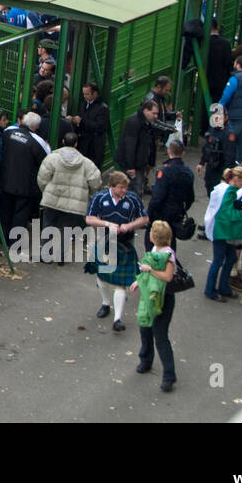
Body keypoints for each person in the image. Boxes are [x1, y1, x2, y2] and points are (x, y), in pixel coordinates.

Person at [85, 171, 148, 332]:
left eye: (125, 187)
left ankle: (117, 319)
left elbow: (144, 218)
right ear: (111, 187)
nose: (124, 190)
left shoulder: (133, 198)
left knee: (121, 281)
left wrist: (129, 226)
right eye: (121, 187)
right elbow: (89, 218)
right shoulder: (100, 197)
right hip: (104, 240)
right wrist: (107, 224)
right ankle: (106, 303)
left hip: (125, 243)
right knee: (102, 276)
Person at [37, 132, 101, 263]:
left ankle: (46, 255)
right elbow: (96, 182)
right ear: (76, 144)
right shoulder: (86, 163)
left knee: (49, 225)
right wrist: (86, 194)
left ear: (63, 142)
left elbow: (42, 178)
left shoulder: (52, 158)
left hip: (52, 199)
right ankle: (61, 257)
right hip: (74, 204)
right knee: (67, 229)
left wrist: (46, 191)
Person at [132, 220, 178, 392]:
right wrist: (139, 282)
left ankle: (169, 375)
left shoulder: (168, 255)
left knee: (160, 335)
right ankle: (145, 360)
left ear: (154, 237)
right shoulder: (155, 249)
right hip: (150, 295)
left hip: (164, 298)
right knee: (145, 327)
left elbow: (167, 277)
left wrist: (149, 270)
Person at [0, 111, 50, 253]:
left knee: (6, 210)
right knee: (20, 214)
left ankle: (3, 238)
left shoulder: (8, 132)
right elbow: (45, 161)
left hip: (6, 180)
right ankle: (15, 243)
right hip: (25, 186)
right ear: (36, 126)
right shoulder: (38, 142)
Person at [202, 166, 242, 301]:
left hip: (222, 231)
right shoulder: (230, 191)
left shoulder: (224, 189)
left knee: (228, 259)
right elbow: (226, 212)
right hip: (223, 231)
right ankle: (212, 290)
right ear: (236, 179)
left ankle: (221, 288)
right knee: (220, 260)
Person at [114, 100, 160, 198]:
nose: (156, 116)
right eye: (154, 113)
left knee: (134, 189)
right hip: (133, 165)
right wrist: (130, 166)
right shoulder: (135, 122)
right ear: (146, 110)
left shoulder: (145, 122)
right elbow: (130, 145)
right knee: (134, 190)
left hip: (139, 163)